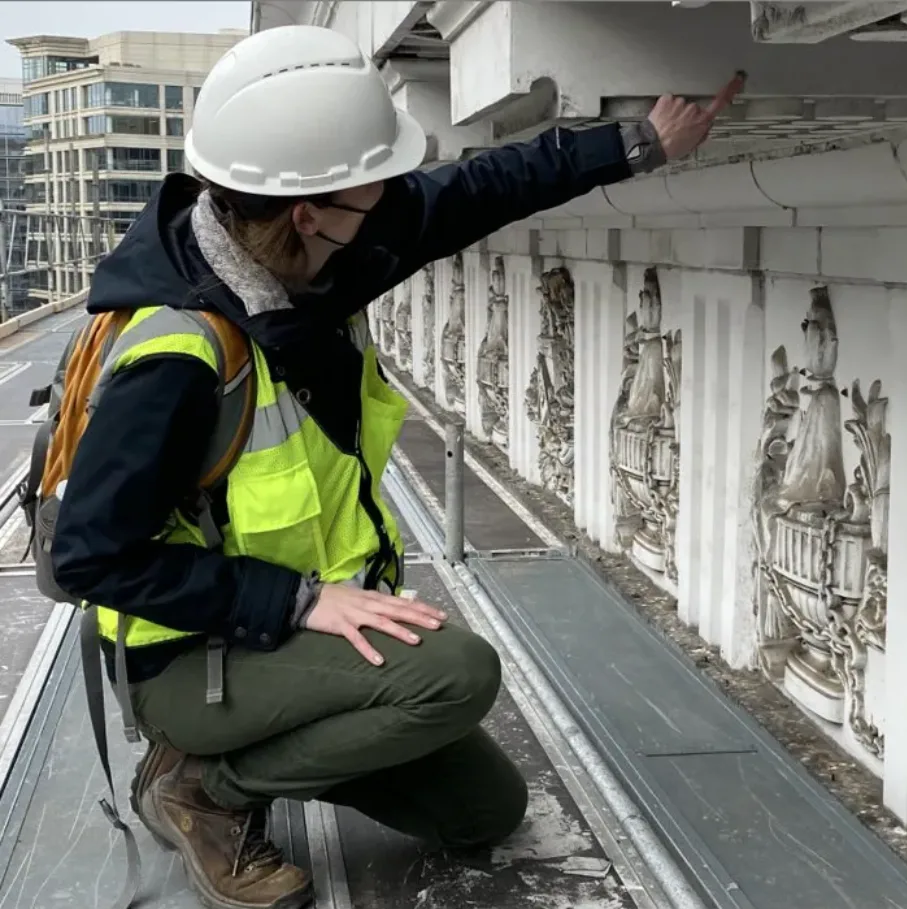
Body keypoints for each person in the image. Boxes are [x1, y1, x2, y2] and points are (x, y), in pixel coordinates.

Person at [50, 23, 742, 909]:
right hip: (190, 658)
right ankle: (202, 787)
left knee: (486, 809)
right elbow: (89, 560)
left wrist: (638, 142)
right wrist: (297, 600)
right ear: (307, 209)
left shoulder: (318, 255)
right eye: (372, 190)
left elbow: (465, 193)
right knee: (458, 674)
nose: (393, 202)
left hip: (287, 633)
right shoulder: (177, 357)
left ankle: (258, 754)